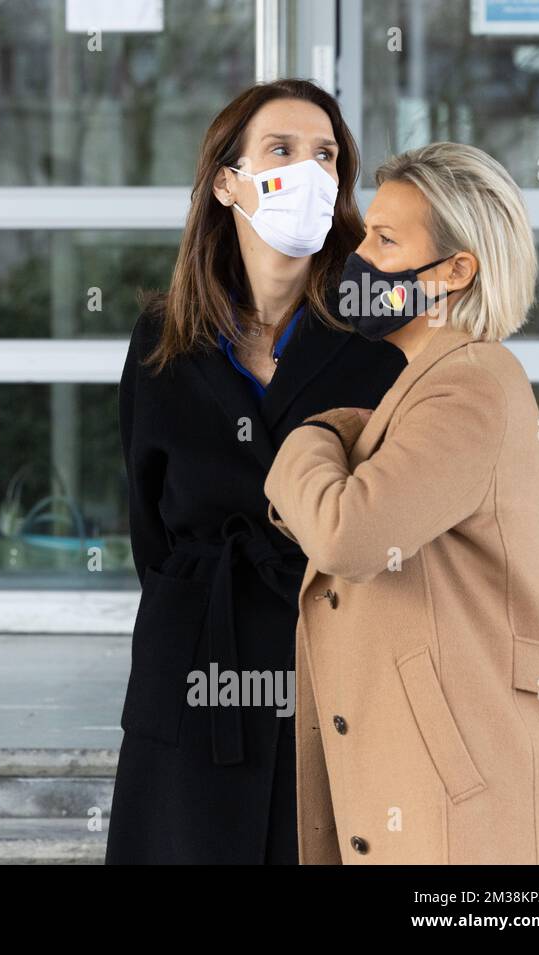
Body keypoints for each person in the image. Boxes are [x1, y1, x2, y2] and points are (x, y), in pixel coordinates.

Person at [265, 142, 539, 864]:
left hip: (472, 820)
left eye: (386, 240)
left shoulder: (470, 383)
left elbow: (348, 536)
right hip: (442, 802)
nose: (361, 256)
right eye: (365, 234)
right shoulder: (427, 380)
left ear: (454, 270)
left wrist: (311, 436)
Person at [106, 79, 407, 864]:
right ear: (227, 182)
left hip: (336, 665)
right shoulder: (162, 336)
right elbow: (151, 529)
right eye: (281, 150)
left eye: (327, 156)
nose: (308, 170)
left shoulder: (382, 330)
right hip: (196, 665)